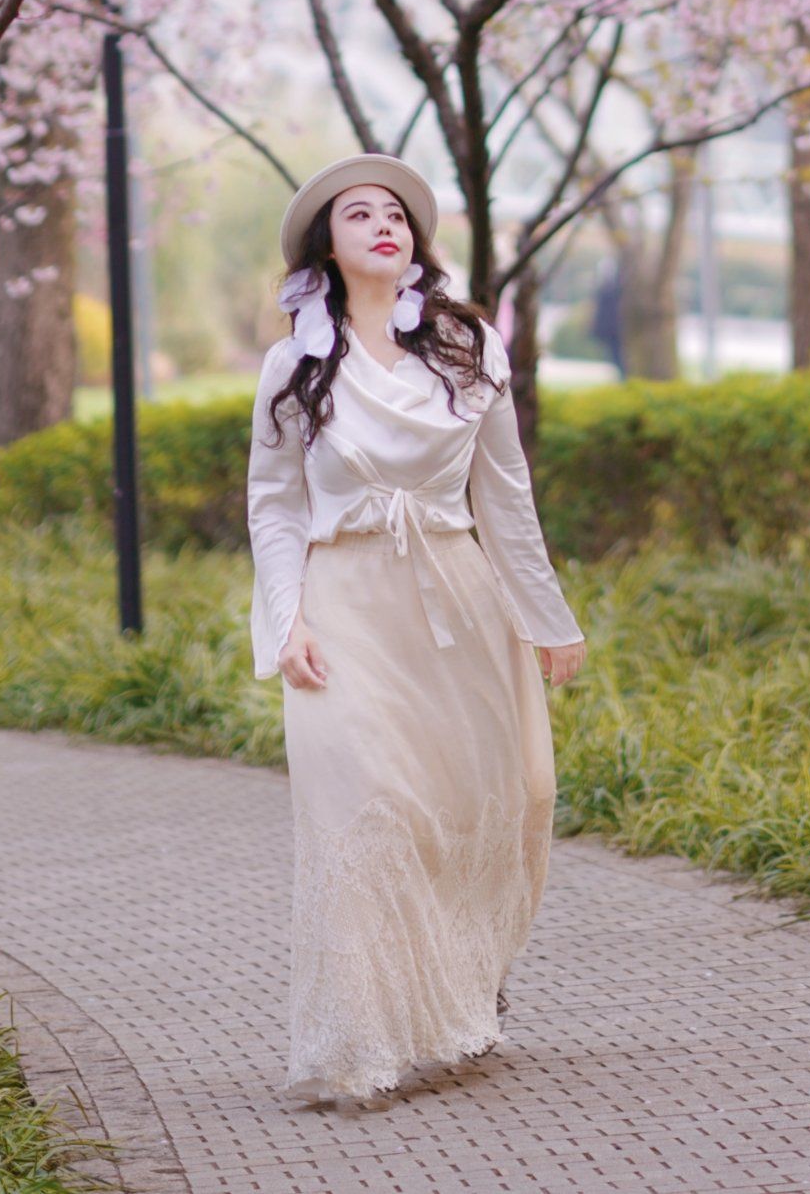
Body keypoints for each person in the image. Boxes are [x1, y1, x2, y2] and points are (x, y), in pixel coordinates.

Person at [247, 153, 586, 1110]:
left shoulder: (467, 348)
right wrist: (288, 621)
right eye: (359, 213)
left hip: (457, 602)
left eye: (396, 212)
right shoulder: (295, 364)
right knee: (367, 808)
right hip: (344, 601)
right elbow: (273, 506)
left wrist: (546, 617)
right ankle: (356, 1042)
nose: (383, 223)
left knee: (490, 800)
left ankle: (462, 985)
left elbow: (506, 499)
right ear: (329, 243)